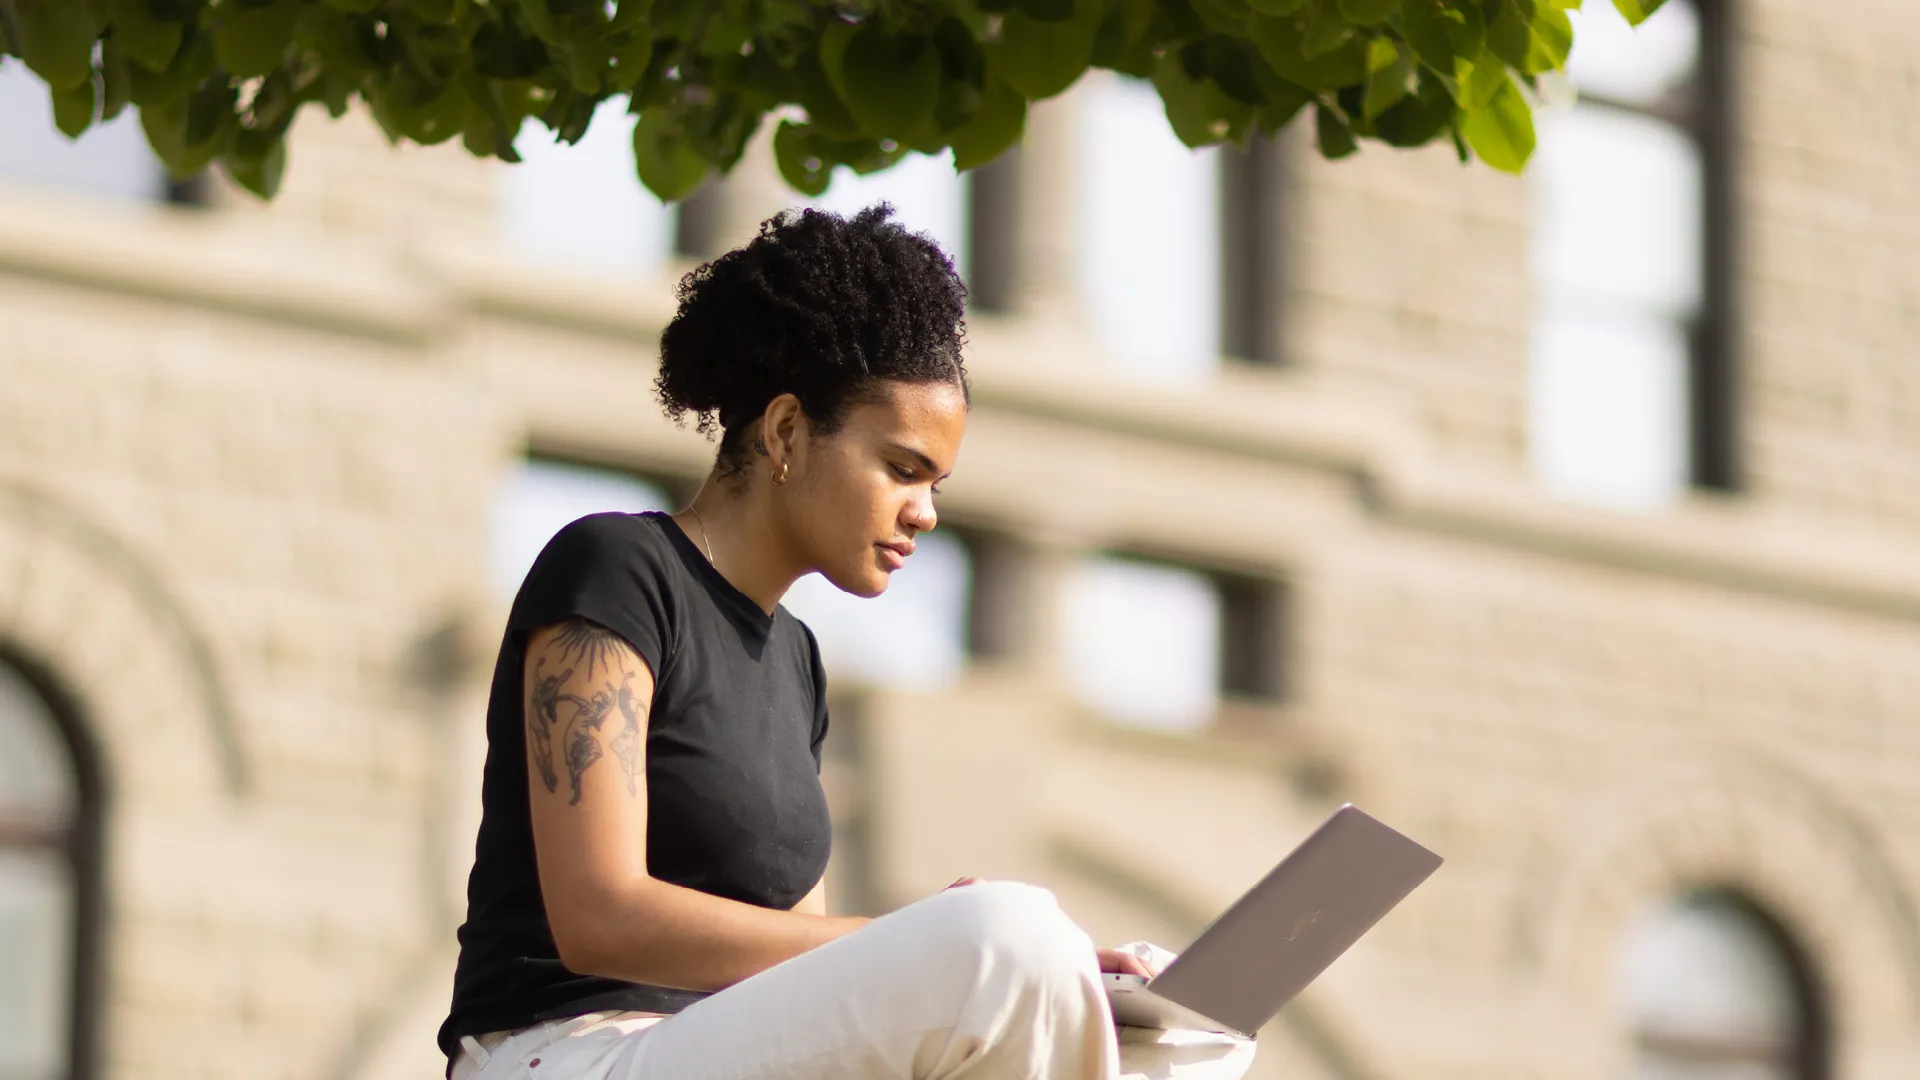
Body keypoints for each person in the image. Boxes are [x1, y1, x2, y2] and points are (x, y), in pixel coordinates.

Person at [437, 205, 1253, 1080]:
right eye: (902, 469)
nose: (926, 512)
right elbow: (598, 915)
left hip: (719, 1052)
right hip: (564, 1054)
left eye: (936, 483)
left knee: (1187, 1042)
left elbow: (801, 961)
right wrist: (922, 948)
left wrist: (1051, 985)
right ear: (787, 432)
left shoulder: (797, 663)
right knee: (1008, 933)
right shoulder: (616, 569)